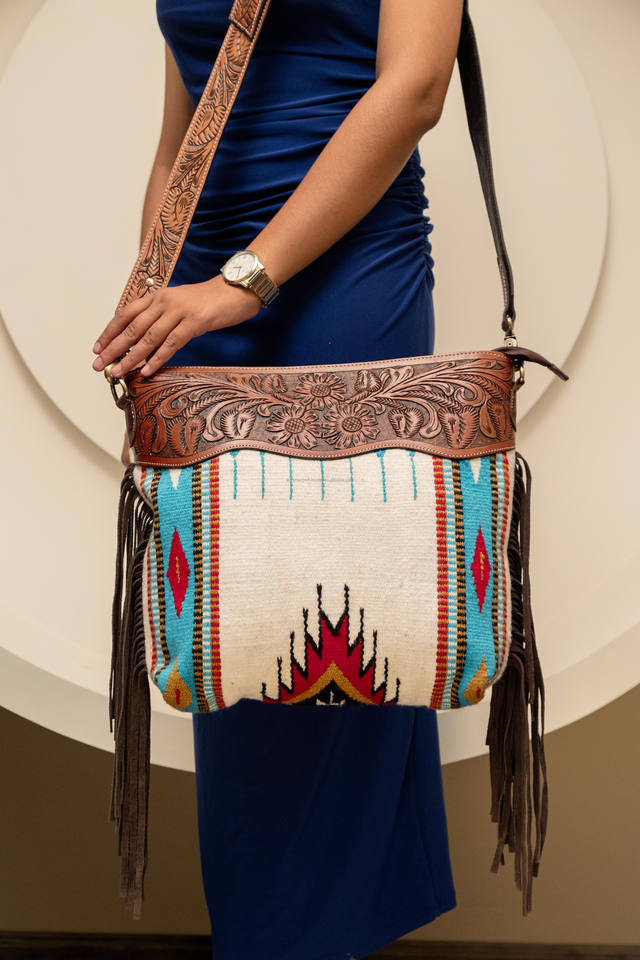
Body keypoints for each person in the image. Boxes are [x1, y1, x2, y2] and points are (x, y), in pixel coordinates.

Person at [91, 0, 462, 956]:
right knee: (240, 645)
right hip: (200, 296)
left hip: (345, 276)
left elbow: (417, 86)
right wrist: (152, 304)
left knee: (346, 632)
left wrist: (244, 281)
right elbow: (184, 134)